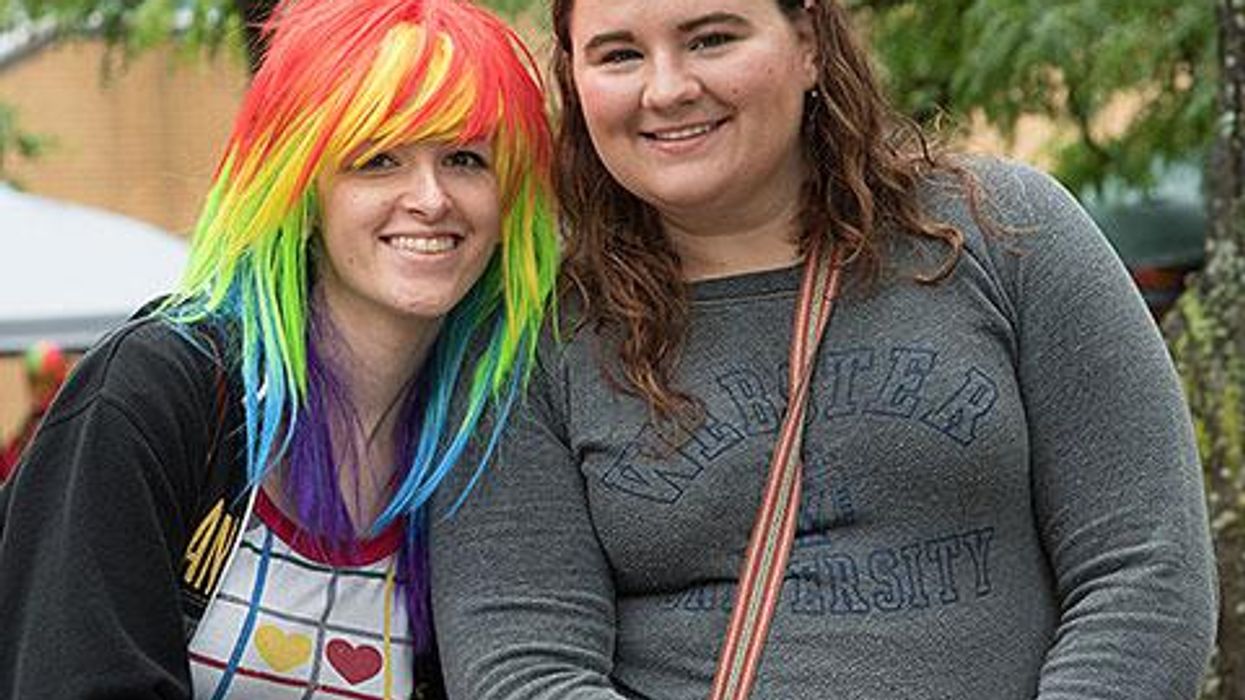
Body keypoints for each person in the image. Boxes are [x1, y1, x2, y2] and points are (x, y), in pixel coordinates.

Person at [429, 0, 1218, 698]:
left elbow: (1144, 573)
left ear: (807, 41)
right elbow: (521, 665)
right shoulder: (534, 330)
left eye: (710, 38)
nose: (665, 88)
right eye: (619, 54)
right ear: (575, 80)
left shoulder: (1004, 232)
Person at [0, 0, 556, 696]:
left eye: (465, 159)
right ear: (300, 187)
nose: (430, 198)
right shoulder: (157, 391)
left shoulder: (498, 440)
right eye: (377, 159)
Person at [0, 340, 69, 483]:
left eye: (46, 382)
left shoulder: (54, 422)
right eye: (35, 382)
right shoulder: (32, 423)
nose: (40, 390)